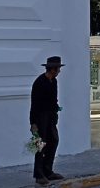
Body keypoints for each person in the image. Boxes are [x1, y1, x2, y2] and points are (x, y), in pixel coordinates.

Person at [31, 56, 64, 186]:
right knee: (40, 145)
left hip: (50, 116)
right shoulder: (40, 82)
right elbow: (34, 104)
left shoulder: (53, 81)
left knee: (53, 141)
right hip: (40, 117)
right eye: (58, 69)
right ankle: (39, 174)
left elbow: (53, 100)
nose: (59, 71)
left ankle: (48, 170)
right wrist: (33, 123)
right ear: (52, 69)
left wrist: (55, 112)